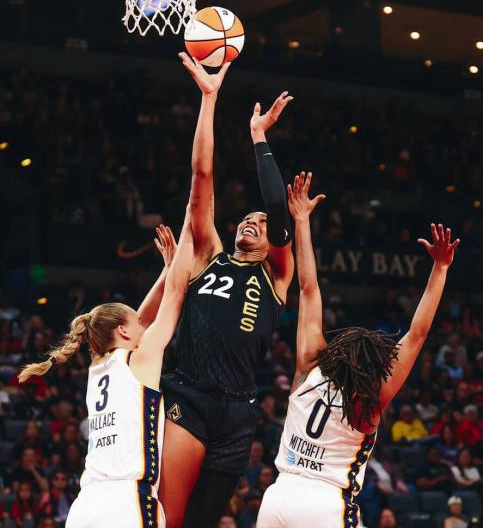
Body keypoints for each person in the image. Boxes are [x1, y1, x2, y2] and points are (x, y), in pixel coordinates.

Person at [257, 172, 460, 528]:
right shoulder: (367, 401)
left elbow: (308, 287)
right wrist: (440, 269)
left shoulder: (308, 367)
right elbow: (417, 334)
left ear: (336, 352)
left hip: (278, 494)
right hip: (325, 502)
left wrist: (301, 221)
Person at [158, 54, 294, 528]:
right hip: (189, 393)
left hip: (238, 409)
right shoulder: (208, 255)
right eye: (247, 220)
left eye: (261, 224)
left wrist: (259, 137)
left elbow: (278, 208)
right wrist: (209, 98)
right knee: (169, 517)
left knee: (203, 521)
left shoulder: (275, 275)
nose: (253, 224)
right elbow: (202, 178)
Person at [18, 214, 194, 528]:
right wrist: (188, 237)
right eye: (138, 325)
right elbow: (177, 294)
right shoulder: (140, 360)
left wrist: (167, 270)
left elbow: (139, 317)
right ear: (124, 333)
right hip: (126, 503)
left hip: (85, 505)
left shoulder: (99, 366)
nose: (144, 326)